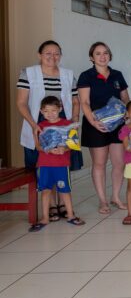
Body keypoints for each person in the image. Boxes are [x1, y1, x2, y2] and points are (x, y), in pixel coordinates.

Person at [16, 40, 80, 221]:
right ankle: (51, 204)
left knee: (61, 161)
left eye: (57, 53)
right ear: (40, 55)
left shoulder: (68, 74)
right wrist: (34, 125)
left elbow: (75, 101)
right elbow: (21, 103)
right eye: (48, 53)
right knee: (45, 163)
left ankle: (62, 203)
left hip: (63, 123)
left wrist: (73, 122)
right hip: (38, 123)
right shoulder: (28, 73)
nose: (53, 57)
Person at [77, 41, 129, 214]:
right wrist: (94, 122)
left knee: (119, 163)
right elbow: (84, 102)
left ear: (110, 55)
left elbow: (125, 98)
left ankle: (115, 197)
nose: (102, 56)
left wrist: (127, 114)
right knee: (99, 163)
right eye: (98, 53)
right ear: (92, 57)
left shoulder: (117, 75)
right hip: (95, 124)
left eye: (105, 53)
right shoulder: (86, 76)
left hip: (117, 124)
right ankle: (103, 200)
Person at [28, 96, 85, 232]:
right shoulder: (40, 126)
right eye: (46, 111)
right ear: (41, 112)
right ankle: (45, 218)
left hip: (61, 164)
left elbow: (73, 144)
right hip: (45, 165)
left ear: (60, 109)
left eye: (53, 110)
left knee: (65, 190)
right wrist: (47, 149)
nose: (50, 114)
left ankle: (71, 215)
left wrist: (64, 149)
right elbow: (38, 146)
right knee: (45, 191)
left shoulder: (67, 124)